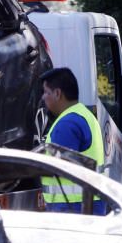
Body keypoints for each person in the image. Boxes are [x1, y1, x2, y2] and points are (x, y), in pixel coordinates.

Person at [39, 67, 106, 214]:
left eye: (46, 92)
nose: (43, 98)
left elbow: (59, 166)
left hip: (72, 208)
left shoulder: (67, 124)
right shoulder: (82, 114)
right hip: (85, 204)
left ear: (57, 93)